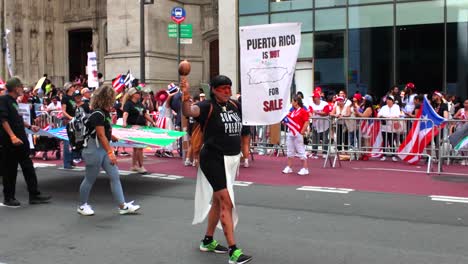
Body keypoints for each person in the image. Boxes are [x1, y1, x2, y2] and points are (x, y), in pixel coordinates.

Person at [182, 75, 253, 264]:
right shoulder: (207, 106)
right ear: (213, 89)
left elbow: (244, 127)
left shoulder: (235, 106)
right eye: (223, 88)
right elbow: (189, 111)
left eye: (229, 87)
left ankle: (207, 241)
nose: (227, 91)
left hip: (231, 159)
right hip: (213, 159)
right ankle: (233, 251)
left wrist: (245, 148)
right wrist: (185, 94)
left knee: (217, 201)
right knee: (226, 203)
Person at [77, 85, 141, 216]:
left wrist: (111, 136)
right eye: (112, 97)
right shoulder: (98, 114)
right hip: (94, 149)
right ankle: (82, 205)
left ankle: (122, 206)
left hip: (100, 149)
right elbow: (100, 135)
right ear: (107, 98)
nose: (114, 100)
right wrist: (111, 152)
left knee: (114, 176)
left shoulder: (103, 113)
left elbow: (102, 132)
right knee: (90, 178)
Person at [0, 77, 51, 207]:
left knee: (28, 167)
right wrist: (12, 136)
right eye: (21, 86)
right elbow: (3, 120)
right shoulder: (4, 100)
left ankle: (34, 195)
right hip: (10, 142)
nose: (23, 89)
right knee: (10, 169)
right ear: (16, 87)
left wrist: (29, 126)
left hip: (21, 140)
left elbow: (16, 119)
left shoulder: (13, 102)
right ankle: (8, 197)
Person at [123, 87, 156, 173]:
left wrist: (153, 122)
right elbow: (125, 113)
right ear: (132, 95)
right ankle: (141, 166)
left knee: (136, 148)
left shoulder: (139, 104)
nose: (139, 94)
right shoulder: (128, 104)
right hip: (134, 128)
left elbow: (145, 114)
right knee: (139, 147)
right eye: (137, 93)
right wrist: (124, 122)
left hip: (141, 127)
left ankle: (134, 166)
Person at [282, 95, 310, 175]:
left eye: (292, 101)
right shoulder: (292, 112)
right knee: (290, 150)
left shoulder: (303, 111)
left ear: (296, 102)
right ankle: (289, 167)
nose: (291, 103)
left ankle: (305, 168)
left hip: (298, 133)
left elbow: (306, 121)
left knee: (300, 150)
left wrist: (302, 131)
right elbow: (288, 120)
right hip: (290, 132)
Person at [378, 96, 401, 162]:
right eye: (387, 100)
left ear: (392, 101)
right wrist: (386, 117)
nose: (388, 101)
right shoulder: (384, 107)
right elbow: (379, 115)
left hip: (392, 127)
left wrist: (387, 117)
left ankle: (393, 155)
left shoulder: (396, 107)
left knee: (391, 141)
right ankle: (384, 155)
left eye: (390, 100)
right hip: (384, 127)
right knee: (385, 141)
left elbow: (397, 115)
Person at [61, 82, 77, 169]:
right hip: (67, 121)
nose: (73, 88)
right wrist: (70, 117)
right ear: (68, 88)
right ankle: (66, 163)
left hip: (73, 121)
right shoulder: (65, 98)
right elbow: (63, 110)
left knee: (72, 142)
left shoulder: (73, 97)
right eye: (72, 86)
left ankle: (71, 160)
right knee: (67, 142)